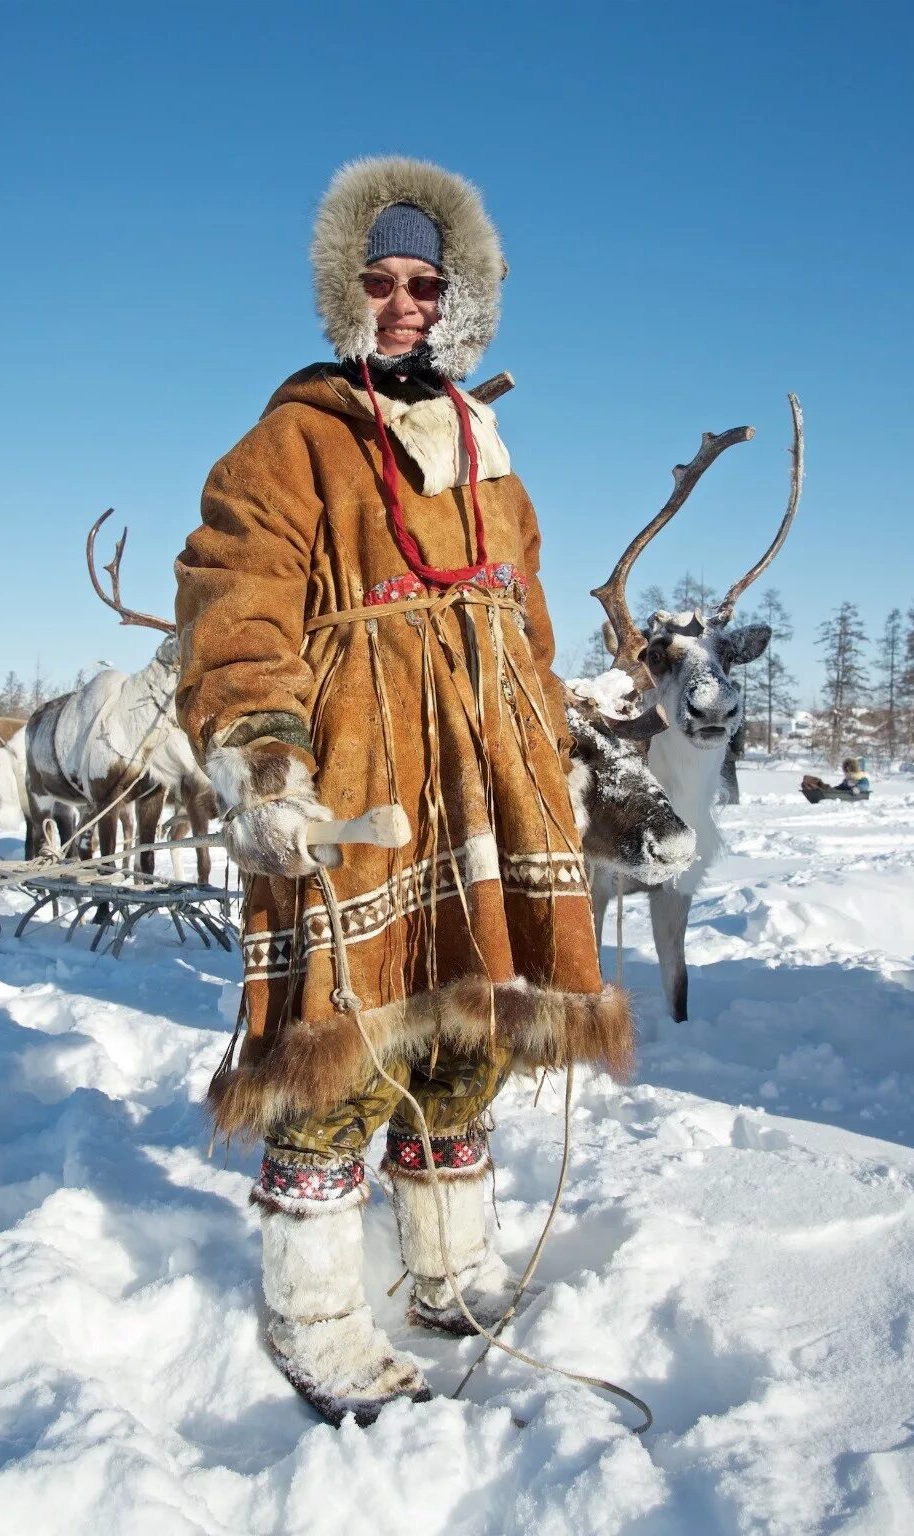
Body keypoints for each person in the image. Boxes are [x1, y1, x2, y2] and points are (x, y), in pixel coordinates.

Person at [174, 157, 631, 1425]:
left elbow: (526, 615)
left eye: (426, 282)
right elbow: (233, 591)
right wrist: (264, 746)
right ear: (342, 291)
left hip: (486, 777)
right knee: (344, 1038)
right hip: (359, 767)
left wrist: (546, 728)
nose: (403, 302)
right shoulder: (291, 439)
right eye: (377, 280)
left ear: (461, 295)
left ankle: (447, 1269)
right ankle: (313, 1308)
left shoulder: (488, 451)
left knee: (471, 1021)